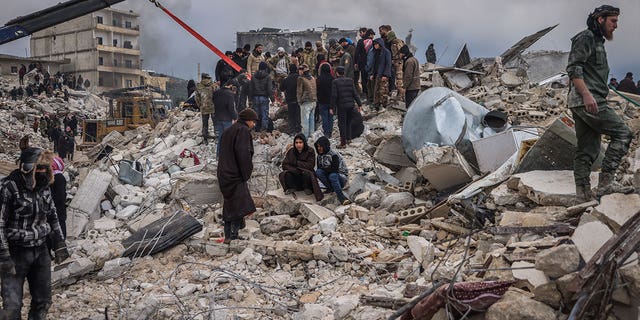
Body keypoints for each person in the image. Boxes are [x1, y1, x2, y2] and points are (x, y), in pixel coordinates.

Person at [567, 5, 633, 201]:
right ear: (600, 19)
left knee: (588, 148)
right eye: (613, 21)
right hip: (588, 100)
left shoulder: (597, 41)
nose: (616, 26)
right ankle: (606, 184)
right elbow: (573, 68)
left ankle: (583, 193)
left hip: (584, 101)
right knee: (623, 133)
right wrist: (587, 95)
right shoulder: (586, 37)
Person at [0, 147, 69, 319]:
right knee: (12, 307)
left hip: (41, 251)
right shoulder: (9, 188)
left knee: (43, 301)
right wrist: (4, 256)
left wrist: (59, 243)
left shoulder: (44, 188)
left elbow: (53, 216)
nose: (42, 172)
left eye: (45, 168)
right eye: (38, 168)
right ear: (27, 167)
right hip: (16, 253)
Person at [217, 109, 258, 243]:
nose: (254, 125)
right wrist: (246, 173)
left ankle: (228, 235)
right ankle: (233, 236)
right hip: (235, 174)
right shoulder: (243, 131)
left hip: (224, 173)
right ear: (248, 120)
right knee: (238, 205)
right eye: (253, 121)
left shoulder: (229, 130)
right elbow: (243, 154)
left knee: (230, 204)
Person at [278, 134, 323, 201]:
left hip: (305, 176)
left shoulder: (310, 151)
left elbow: (310, 165)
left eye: (300, 142)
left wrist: (296, 163)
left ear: (304, 142)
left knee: (307, 174)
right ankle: (292, 188)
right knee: (285, 174)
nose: (298, 145)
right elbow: (284, 164)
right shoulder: (291, 151)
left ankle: (307, 188)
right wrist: (294, 170)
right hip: (295, 175)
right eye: (296, 143)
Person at [331, 66, 363, 148]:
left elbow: (334, 96)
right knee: (348, 123)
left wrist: (332, 108)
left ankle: (343, 143)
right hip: (350, 106)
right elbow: (355, 93)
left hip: (341, 107)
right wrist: (359, 104)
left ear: (337, 73)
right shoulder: (350, 81)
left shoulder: (335, 82)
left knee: (342, 124)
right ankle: (348, 139)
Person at [314, 136, 350, 205]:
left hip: (341, 177)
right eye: (318, 147)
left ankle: (342, 198)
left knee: (332, 176)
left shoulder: (334, 155)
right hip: (330, 175)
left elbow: (335, 170)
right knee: (318, 172)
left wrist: (325, 170)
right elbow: (319, 169)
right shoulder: (319, 156)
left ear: (325, 146)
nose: (319, 149)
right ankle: (330, 188)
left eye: (321, 147)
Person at [213, 80, 238, 156]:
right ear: (231, 86)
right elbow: (231, 108)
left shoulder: (217, 92)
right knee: (229, 137)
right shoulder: (230, 94)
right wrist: (235, 117)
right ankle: (228, 156)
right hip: (227, 118)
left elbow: (213, 102)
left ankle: (219, 154)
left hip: (218, 117)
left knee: (220, 137)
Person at [249, 62, 273, 132]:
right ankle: (263, 130)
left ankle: (255, 128)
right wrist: (272, 99)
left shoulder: (253, 76)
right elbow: (269, 89)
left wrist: (250, 98)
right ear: (265, 68)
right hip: (264, 97)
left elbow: (251, 88)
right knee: (264, 114)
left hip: (255, 97)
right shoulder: (268, 77)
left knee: (255, 114)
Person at [195, 73, 217, 144]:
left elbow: (197, 98)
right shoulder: (213, 85)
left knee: (205, 124)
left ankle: (205, 138)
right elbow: (217, 95)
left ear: (202, 78)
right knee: (215, 122)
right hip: (213, 106)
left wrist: (200, 105)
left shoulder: (198, 86)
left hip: (204, 107)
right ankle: (217, 136)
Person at [370, 38, 392, 111]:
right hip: (377, 74)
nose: (375, 46)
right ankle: (376, 105)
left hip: (383, 75)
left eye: (376, 44)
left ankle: (384, 105)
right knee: (376, 91)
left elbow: (388, 64)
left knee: (383, 90)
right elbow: (374, 64)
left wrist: (385, 75)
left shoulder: (386, 52)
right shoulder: (375, 52)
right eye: (374, 44)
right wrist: (372, 73)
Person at [297, 64, 317, 138]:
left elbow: (299, 91)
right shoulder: (312, 78)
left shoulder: (301, 79)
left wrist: (299, 101)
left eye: (300, 69)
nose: (299, 71)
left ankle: (304, 137)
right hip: (313, 101)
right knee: (312, 120)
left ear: (302, 71)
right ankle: (311, 136)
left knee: (304, 121)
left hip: (305, 102)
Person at [280, 64, 301, 134]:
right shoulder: (299, 78)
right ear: (296, 70)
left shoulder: (286, 79)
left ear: (289, 70)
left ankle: (292, 131)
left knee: (291, 116)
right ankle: (298, 130)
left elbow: (281, 88)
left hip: (290, 100)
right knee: (298, 115)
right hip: (298, 100)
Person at [50, 156, 67, 238]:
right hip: (57, 207)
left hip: (58, 207)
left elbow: (60, 195)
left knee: (59, 225)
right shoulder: (54, 176)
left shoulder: (58, 177)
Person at [316, 63, 335, 137]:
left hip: (322, 101)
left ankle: (326, 132)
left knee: (324, 117)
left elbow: (317, 89)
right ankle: (330, 132)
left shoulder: (319, 79)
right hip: (331, 101)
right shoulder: (333, 79)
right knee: (330, 117)